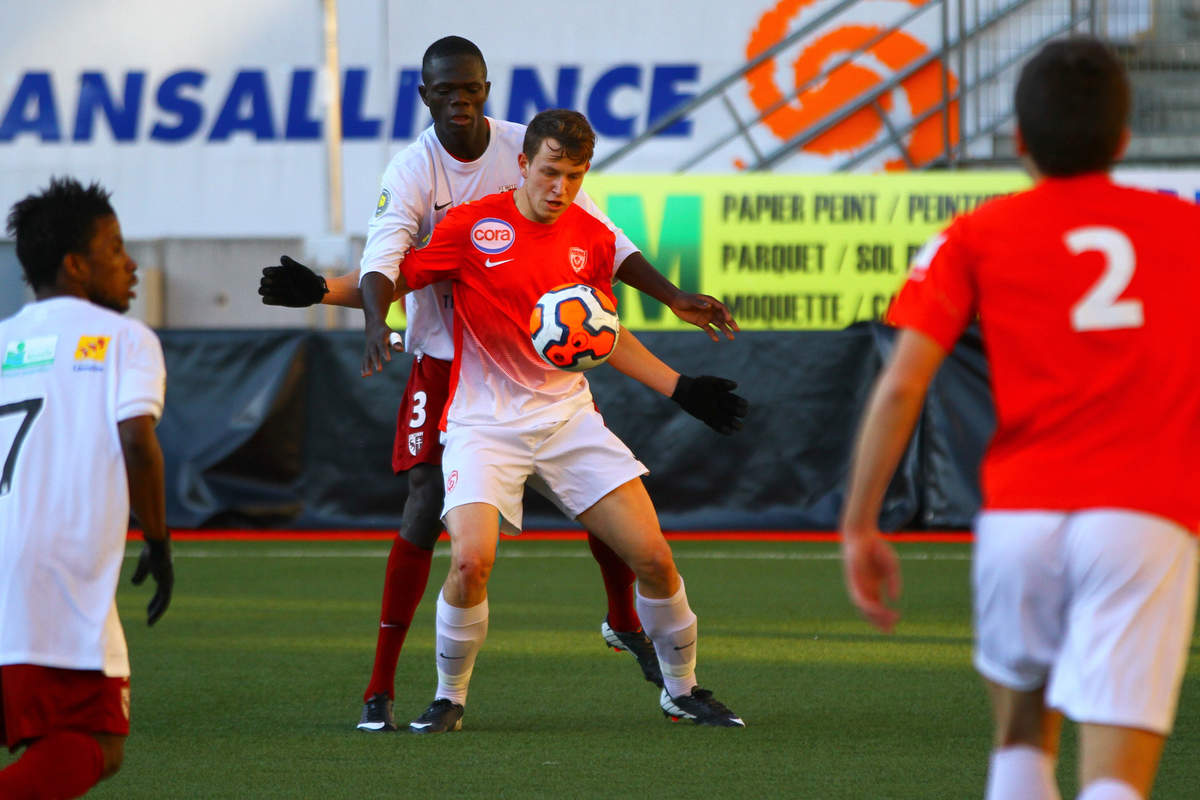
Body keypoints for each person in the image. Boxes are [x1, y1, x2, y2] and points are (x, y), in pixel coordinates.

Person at [259, 35, 744, 732]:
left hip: (563, 408)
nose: (561, 186)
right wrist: (335, 296)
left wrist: (682, 383)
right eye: (552, 172)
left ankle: (677, 682)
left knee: (654, 555)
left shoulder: (585, 230)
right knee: (461, 548)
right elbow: (395, 268)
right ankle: (437, 696)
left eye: (574, 176)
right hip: (472, 399)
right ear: (522, 164)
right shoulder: (453, 212)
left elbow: (599, 329)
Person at [839, 37, 1199, 800]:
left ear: (1019, 141)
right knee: (1116, 783)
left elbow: (902, 385)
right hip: (1142, 519)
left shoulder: (973, 234)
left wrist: (859, 523)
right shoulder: (1185, 232)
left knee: (1021, 746)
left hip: (1020, 523)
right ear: (1124, 141)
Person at [0, 177, 174, 798]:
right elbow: (137, 442)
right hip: (54, 575)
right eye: (115, 248)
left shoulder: (4, 339)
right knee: (96, 741)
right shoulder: (128, 339)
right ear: (75, 265)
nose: (130, 265)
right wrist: (157, 539)